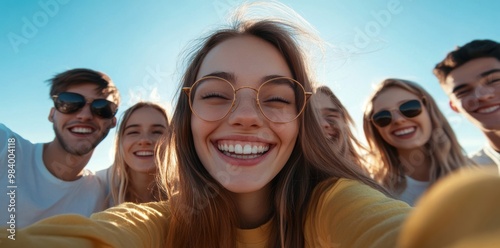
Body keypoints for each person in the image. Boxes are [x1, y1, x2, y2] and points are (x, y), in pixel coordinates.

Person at [0, 3, 411, 247]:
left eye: (277, 98)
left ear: (302, 121)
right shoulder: (162, 221)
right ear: (187, 117)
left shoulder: (334, 204)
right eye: (215, 94)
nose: (246, 116)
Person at [0, 68, 120, 228]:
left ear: (113, 121)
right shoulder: (6, 147)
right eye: (70, 102)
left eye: (102, 108)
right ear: (52, 114)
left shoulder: (103, 195)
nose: (84, 115)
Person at [363, 78, 473, 206]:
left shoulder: (483, 168)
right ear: (375, 128)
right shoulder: (375, 193)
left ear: (429, 110)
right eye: (383, 117)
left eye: (409, 107)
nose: (398, 120)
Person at [433, 39, 500, 171]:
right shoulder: (466, 175)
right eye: (463, 92)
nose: (482, 96)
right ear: (454, 106)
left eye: (494, 80)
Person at [97, 102, 169, 208]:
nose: (144, 140)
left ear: (172, 141)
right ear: (120, 141)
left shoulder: (189, 192)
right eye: (133, 132)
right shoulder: (98, 186)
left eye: (157, 132)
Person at [311, 85, 371, 174]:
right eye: (311, 117)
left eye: (331, 115)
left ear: (344, 122)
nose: (323, 124)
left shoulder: (364, 177)